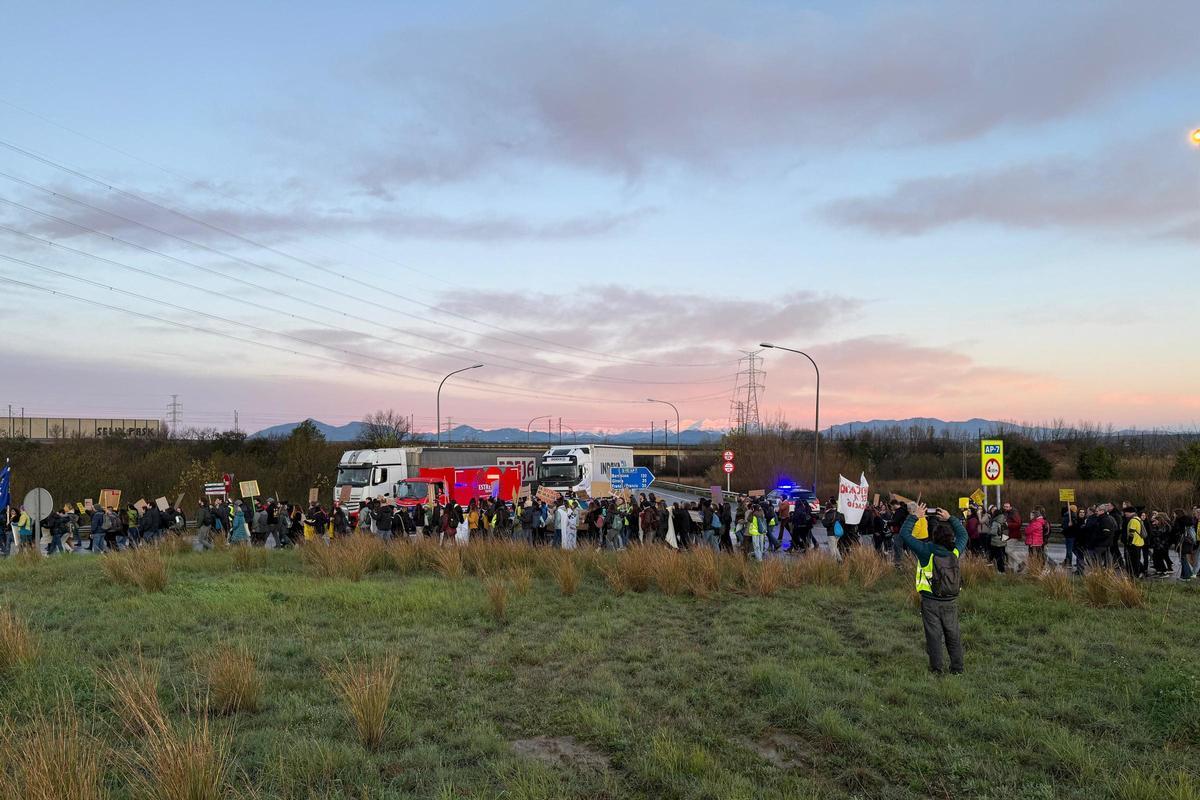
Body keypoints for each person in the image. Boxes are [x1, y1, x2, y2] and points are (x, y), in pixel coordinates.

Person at [900, 504, 968, 675]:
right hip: (950, 600)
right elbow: (963, 534)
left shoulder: (925, 551)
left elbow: (904, 535)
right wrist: (950, 518)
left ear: (934, 537)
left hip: (930, 601)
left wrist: (915, 516)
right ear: (950, 539)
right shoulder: (954, 552)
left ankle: (937, 670)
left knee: (934, 636)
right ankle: (957, 669)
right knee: (953, 634)